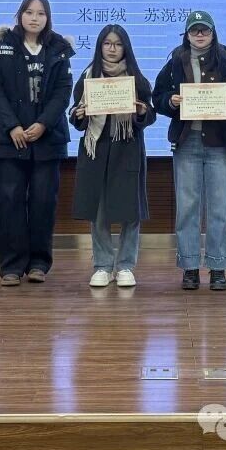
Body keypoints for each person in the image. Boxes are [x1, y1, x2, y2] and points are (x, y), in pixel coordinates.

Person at [152, 10, 226, 291]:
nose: (199, 35)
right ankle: (189, 267)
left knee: (219, 207)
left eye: (204, 30)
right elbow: (157, 98)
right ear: (186, 34)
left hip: (220, 143)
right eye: (194, 30)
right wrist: (171, 101)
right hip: (187, 142)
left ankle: (218, 266)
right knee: (187, 207)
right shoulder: (175, 61)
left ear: (213, 33)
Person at [0, 0, 75, 286]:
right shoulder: (4, 47)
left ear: (48, 18)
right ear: (20, 15)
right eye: (29, 12)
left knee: (43, 202)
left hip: (47, 139)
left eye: (41, 13)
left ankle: (38, 264)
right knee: (9, 201)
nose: (35, 18)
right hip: (8, 140)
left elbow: (63, 92)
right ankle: (11, 267)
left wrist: (43, 124)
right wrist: (12, 126)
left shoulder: (58, 48)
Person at [69, 25, 157, 288]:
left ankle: (126, 265)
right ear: (100, 47)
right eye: (107, 43)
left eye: (118, 44)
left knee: (130, 210)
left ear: (125, 48)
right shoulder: (87, 77)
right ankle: (103, 265)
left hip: (127, 149)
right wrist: (78, 115)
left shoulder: (137, 80)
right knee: (98, 210)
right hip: (95, 149)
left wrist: (141, 112)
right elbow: (75, 115)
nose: (112, 49)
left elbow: (150, 114)